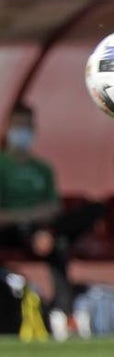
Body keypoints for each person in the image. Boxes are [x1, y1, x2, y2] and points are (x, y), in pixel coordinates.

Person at [0, 102, 104, 340]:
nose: (23, 131)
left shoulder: (43, 169)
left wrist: (43, 225)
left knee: (88, 215)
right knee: (43, 234)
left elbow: (54, 208)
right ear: (8, 128)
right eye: (18, 126)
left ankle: (63, 314)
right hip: (9, 231)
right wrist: (30, 216)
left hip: (44, 229)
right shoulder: (2, 165)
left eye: (27, 126)